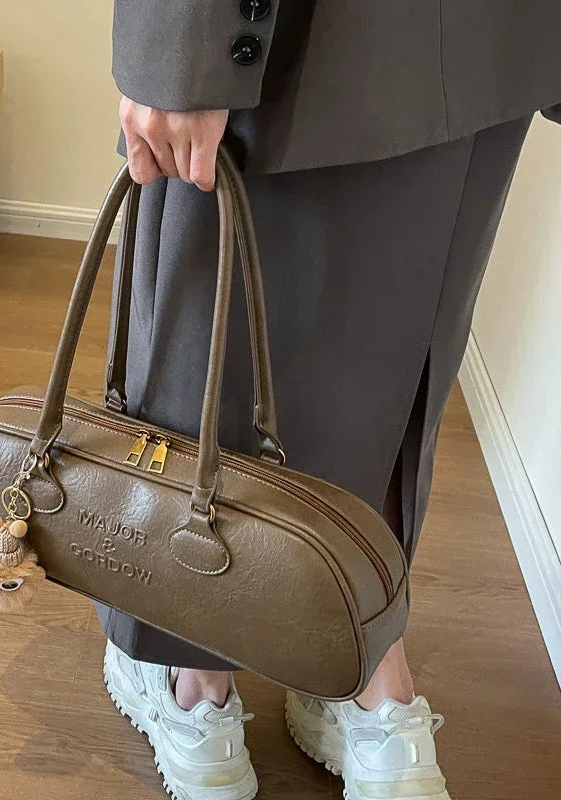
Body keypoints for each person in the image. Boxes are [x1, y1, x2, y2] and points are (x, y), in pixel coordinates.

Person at [95, 4, 561, 799]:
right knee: (393, 344)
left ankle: (198, 680)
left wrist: (181, 52)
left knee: (211, 345)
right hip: (497, 34)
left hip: (295, 34)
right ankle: (369, 678)